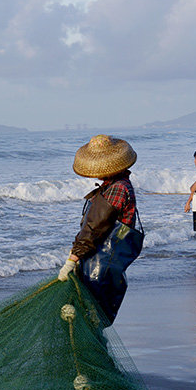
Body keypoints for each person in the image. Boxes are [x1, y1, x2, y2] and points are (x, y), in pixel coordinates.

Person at [57, 135, 143, 323]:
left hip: (100, 266)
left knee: (91, 316)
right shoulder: (116, 185)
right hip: (107, 263)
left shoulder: (116, 189)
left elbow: (94, 228)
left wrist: (73, 259)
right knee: (92, 317)